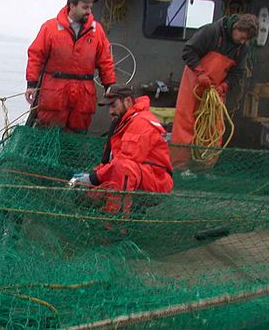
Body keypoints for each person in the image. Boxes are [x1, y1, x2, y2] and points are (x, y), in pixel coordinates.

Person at [25, 0, 116, 133]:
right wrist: (32, 84)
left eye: (90, 8)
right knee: (48, 134)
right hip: (54, 92)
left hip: (83, 95)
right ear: (72, 6)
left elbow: (105, 61)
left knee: (77, 136)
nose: (89, 11)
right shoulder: (50, 28)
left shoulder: (97, 31)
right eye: (85, 7)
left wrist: (110, 86)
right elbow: (36, 55)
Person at [170, 13, 258, 164]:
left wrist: (224, 86)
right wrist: (200, 72)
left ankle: (206, 165)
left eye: (246, 40)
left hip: (216, 89)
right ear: (237, 28)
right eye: (242, 37)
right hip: (194, 83)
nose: (243, 42)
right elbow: (188, 50)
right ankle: (180, 164)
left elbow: (238, 73)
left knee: (214, 126)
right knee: (186, 122)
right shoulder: (212, 32)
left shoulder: (242, 48)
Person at [70, 85, 173, 212]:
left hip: (156, 182)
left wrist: (94, 178)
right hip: (137, 177)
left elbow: (124, 162)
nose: (110, 111)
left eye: (113, 105)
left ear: (128, 101)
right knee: (85, 191)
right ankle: (124, 213)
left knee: (123, 168)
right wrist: (91, 175)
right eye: (109, 107)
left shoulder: (141, 122)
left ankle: (116, 224)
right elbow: (112, 161)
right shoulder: (123, 122)